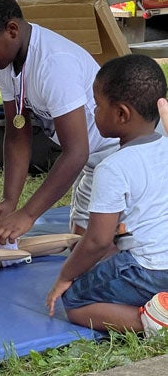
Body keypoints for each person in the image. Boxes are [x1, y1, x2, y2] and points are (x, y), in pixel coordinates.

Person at [0, 0, 118, 246]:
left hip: (122, 158)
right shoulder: (7, 58)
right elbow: (17, 135)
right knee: (80, 245)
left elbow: (76, 152)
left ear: (12, 30)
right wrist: (10, 201)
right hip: (92, 165)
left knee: (104, 249)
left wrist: (28, 215)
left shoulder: (54, 63)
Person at [46, 54, 168, 332]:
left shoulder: (112, 167)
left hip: (147, 269)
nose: (92, 112)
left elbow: (97, 241)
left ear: (121, 114)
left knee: (74, 300)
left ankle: (154, 322)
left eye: (97, 105)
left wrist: (65, 277)